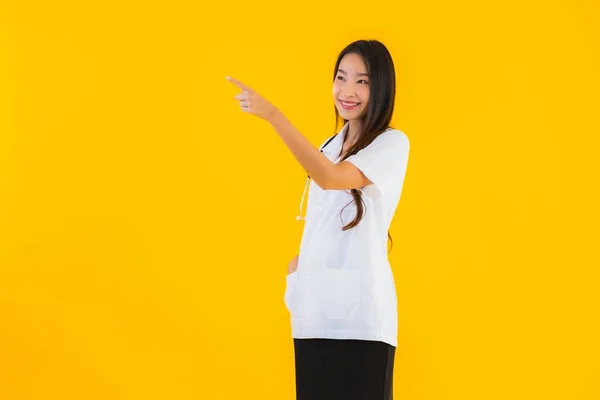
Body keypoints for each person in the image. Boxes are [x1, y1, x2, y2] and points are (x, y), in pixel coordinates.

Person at [227, 39, 410, 400]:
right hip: (314, 313)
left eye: (362, 81)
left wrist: (274, 116)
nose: (347, 90)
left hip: (361, 324)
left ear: (382, 88)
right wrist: (298, 268)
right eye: (341, 77)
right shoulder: (328, 145)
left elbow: (330, 178)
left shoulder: (392, 143)